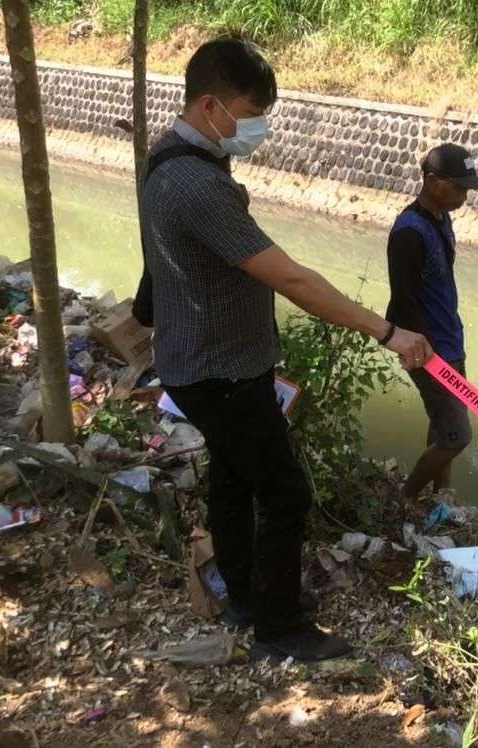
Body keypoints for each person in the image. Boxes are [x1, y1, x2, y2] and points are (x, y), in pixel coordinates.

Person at [141, 39, 433, 664]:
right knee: (283, 493)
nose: (257, 128)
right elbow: (291, 278)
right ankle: (279, 627)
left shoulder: (168, 156)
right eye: (251, 111)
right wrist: (387, 331)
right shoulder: (196, 183)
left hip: (198, 362)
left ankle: (246, 595)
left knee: (232, 477)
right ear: (211, 104)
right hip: (221, 370)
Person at [385, 143, 478, 503]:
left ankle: (442, 499)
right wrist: (426, 354)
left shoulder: (441, 219)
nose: (464, 195)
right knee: (457, 436)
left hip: (450, 342)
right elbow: (402, 301)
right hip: (428, 349)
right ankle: (405, 500)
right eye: (459, 187)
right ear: (432, 182)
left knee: (442, 426)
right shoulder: (409, 233)